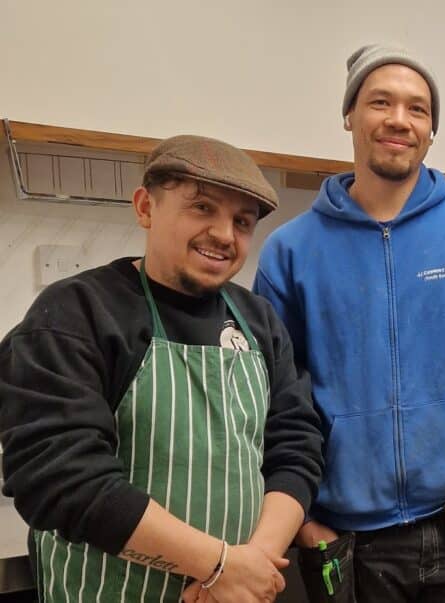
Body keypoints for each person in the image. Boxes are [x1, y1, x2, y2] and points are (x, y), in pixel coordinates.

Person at [254, 43, 445, 602]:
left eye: (418, 108)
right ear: (349, 116)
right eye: (380, 101)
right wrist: (305, 518)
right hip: (349, 539)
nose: (399, 120)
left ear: (432, 129)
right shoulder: (290, 250)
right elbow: (275, 397)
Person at [0, 135, 324, 602]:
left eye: (241, 221)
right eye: (201, 208)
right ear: (145, 208)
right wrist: (216, 566)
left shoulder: (258, 321)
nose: (223, 234)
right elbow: (60, 477)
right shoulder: (79, 313)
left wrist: (251, 565)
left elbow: (297, 446)